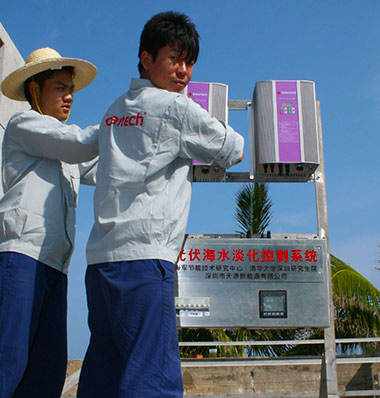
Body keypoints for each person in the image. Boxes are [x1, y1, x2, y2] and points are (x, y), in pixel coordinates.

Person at [77, 11, 244, 398]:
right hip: (145, 259)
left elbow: (96, 167)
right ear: (146, 58)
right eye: (175, 58)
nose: (183, 71)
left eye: (189, 62)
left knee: (105, 371)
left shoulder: (115, 110)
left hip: (101, 262)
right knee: (153, 378)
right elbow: (232, 149)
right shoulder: (177, 107)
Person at [0, 47, 99, 397]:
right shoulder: (26, 125)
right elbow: (81, 144)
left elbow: (110, 170)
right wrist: (126, 121)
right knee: (8, 363)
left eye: (70, 89)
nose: (69, 96)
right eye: (59, 87)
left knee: (48, 371)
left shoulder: (64, 147)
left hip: (55, 268)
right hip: (21, 260)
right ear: (34, 90)